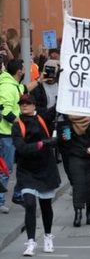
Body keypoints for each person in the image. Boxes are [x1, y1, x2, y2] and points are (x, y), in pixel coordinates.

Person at [13, 94, 60, 256]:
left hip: (46, 168)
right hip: (27, 171)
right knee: (30, 203)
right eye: (21, 104)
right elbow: (21, 148)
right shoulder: (17, 125)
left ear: (34, 105)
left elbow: (55, 110)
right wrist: (43, 143)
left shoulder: (42, 117)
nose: (24, 106)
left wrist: (63, 91)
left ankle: (48, 236)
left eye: (27, 103)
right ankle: (31, 242)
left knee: (46, 206)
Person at [59, 115, 90, 227]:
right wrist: (66, 136)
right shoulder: (69, 119)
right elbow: (65, 139)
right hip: (76, 156)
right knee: (78, 184)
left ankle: (89, 211)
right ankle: (78, 212)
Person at [0, 59, 27, 213]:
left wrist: (41, 80)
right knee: (5, 168)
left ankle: (17, 195)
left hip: (12, 134)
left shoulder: (14, 85)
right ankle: (1, 200)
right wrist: (21, 123)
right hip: (6, 135)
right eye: (23, 69)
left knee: (16, 166)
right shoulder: (7, 87)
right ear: (19, 72)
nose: (24, 71)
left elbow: (25, 89)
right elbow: (5, 110)